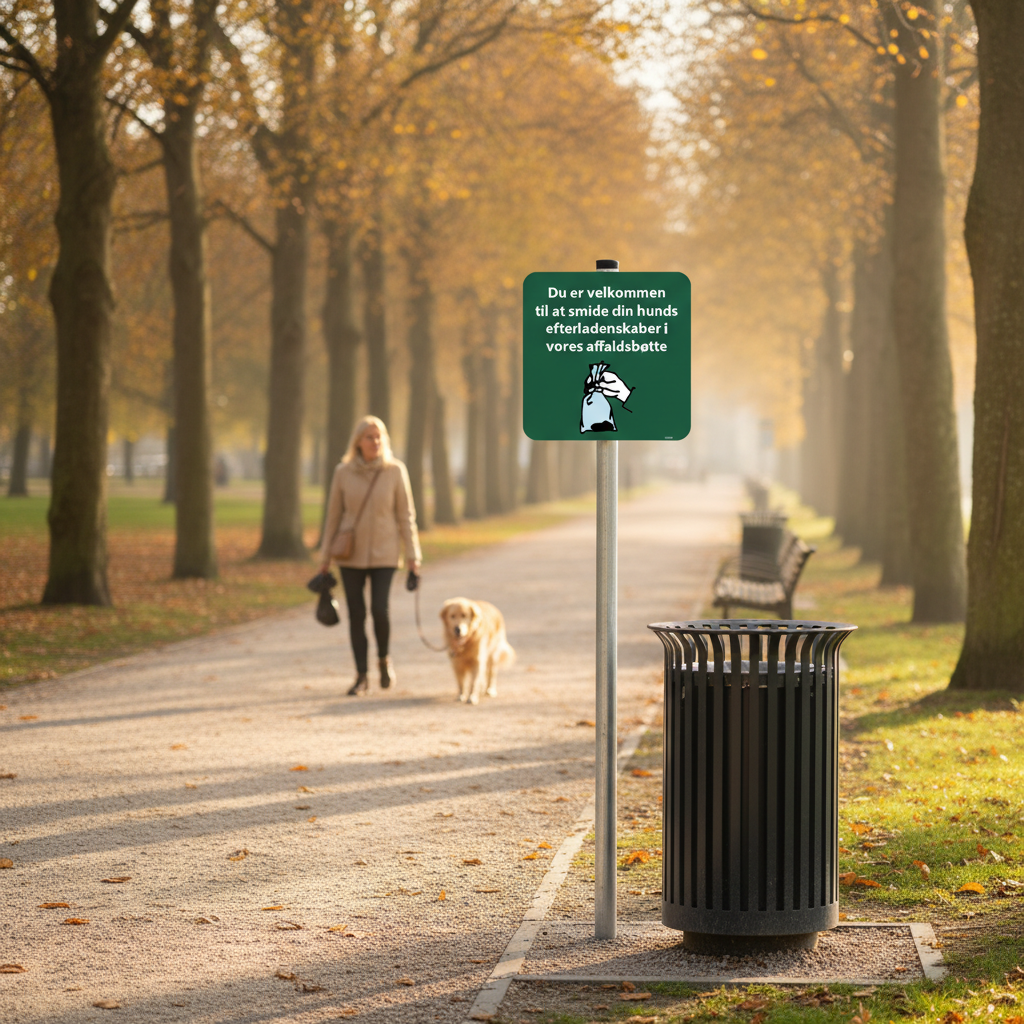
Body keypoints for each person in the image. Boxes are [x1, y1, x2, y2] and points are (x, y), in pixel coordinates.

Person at [320, 416, 421, 696]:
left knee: (379, 609)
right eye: (369, 437)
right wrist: (324, 557)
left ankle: (384, 660)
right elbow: (332, 516)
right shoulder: (343, 472)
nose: (375, 442)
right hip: (349, 553)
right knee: (356, 614)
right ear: (358, 442)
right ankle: (361, 676)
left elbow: (406, 516)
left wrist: (413, 554)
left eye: (379, 437)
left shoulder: (395, 471)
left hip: (385, 552)